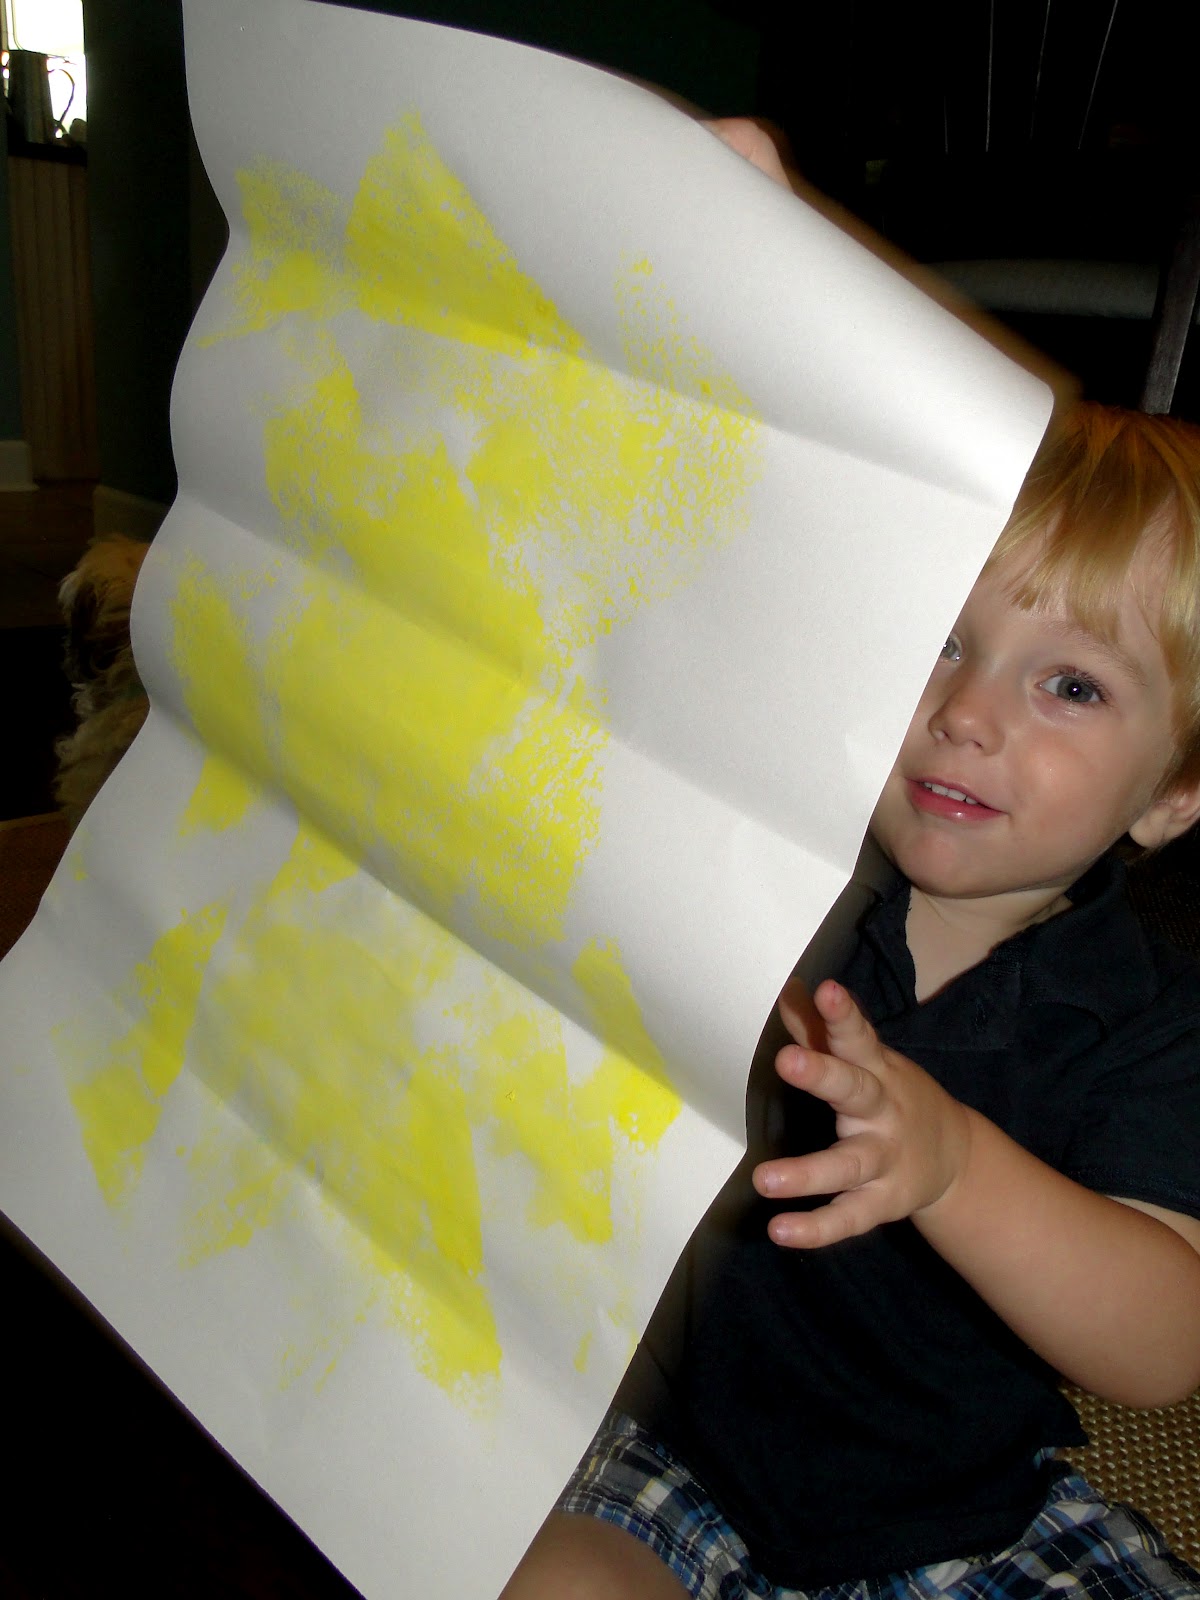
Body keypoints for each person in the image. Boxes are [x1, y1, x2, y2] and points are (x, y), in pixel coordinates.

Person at [500, 145, 1200, 1600]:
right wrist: (758, 251)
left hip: (962, 1523)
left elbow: (1161, 1344)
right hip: (677, 1466)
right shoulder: (780, 860)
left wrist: (954, 1166)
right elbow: (718, 530)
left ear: (1176, 795)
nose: (966, 711)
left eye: (1072, 686)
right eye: (939, 639)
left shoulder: (1148, 1020)